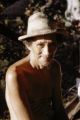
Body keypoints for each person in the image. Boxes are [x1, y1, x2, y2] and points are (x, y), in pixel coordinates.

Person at [5, 11, 69, 120]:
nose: (47, 52)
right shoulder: (16, 74)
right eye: (40, 45)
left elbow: (59, 109)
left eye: (52, 44)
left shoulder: (54, 68)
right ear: (29, 45)